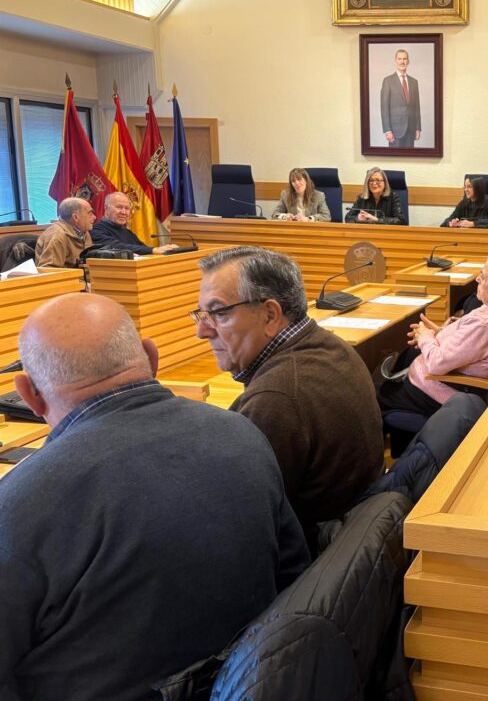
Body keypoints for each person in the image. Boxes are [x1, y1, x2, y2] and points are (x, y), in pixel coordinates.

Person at [0, 293, 308, 701]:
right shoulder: (242, 432)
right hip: (257, 682)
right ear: (150, 356)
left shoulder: (20, 504)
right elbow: (295, 575)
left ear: (28, 394)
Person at [195, 246, 385, 548]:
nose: (202, 332)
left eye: (218, 313)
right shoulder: (329, 345)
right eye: (202, 315)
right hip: (350, 536)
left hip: (311, 556)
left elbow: (234, 522)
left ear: (270, 315)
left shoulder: (277, 398)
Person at [377, 250, 488, 417]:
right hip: (445, 378)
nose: (477, 279)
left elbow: (436, 364)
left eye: (483, 276)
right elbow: (471, 344)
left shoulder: (484, 325)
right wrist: (439, 333)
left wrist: (426, 338)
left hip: (438, 389)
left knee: (378, 395)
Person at [89, 191, 179, 254]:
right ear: (106, 208)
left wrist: (164, 250)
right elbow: (116, 246)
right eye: (119, 207)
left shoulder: (126, 231)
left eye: (127, 208)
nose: (124, 212)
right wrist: (153, 250)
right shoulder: (96, 230)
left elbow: (142, 248)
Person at [33, 196, 95, 267]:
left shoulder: (84, 232)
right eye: (90, 214)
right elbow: (48, 270)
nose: (94, 217)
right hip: (69, 274)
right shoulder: (57, 236)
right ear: (76, 217)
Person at [380, 48, 420, 148]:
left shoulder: (414, 82)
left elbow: (417, 107)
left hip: (411, 130)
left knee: (410, 157)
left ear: (408, 61)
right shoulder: (387, 81)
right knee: (395, 157)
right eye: (399, 59)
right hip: (395, 131)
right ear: (395, 61)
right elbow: (384, 108)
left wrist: (418, 128)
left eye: (405, 59)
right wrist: (387, 130)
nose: (402, 61)